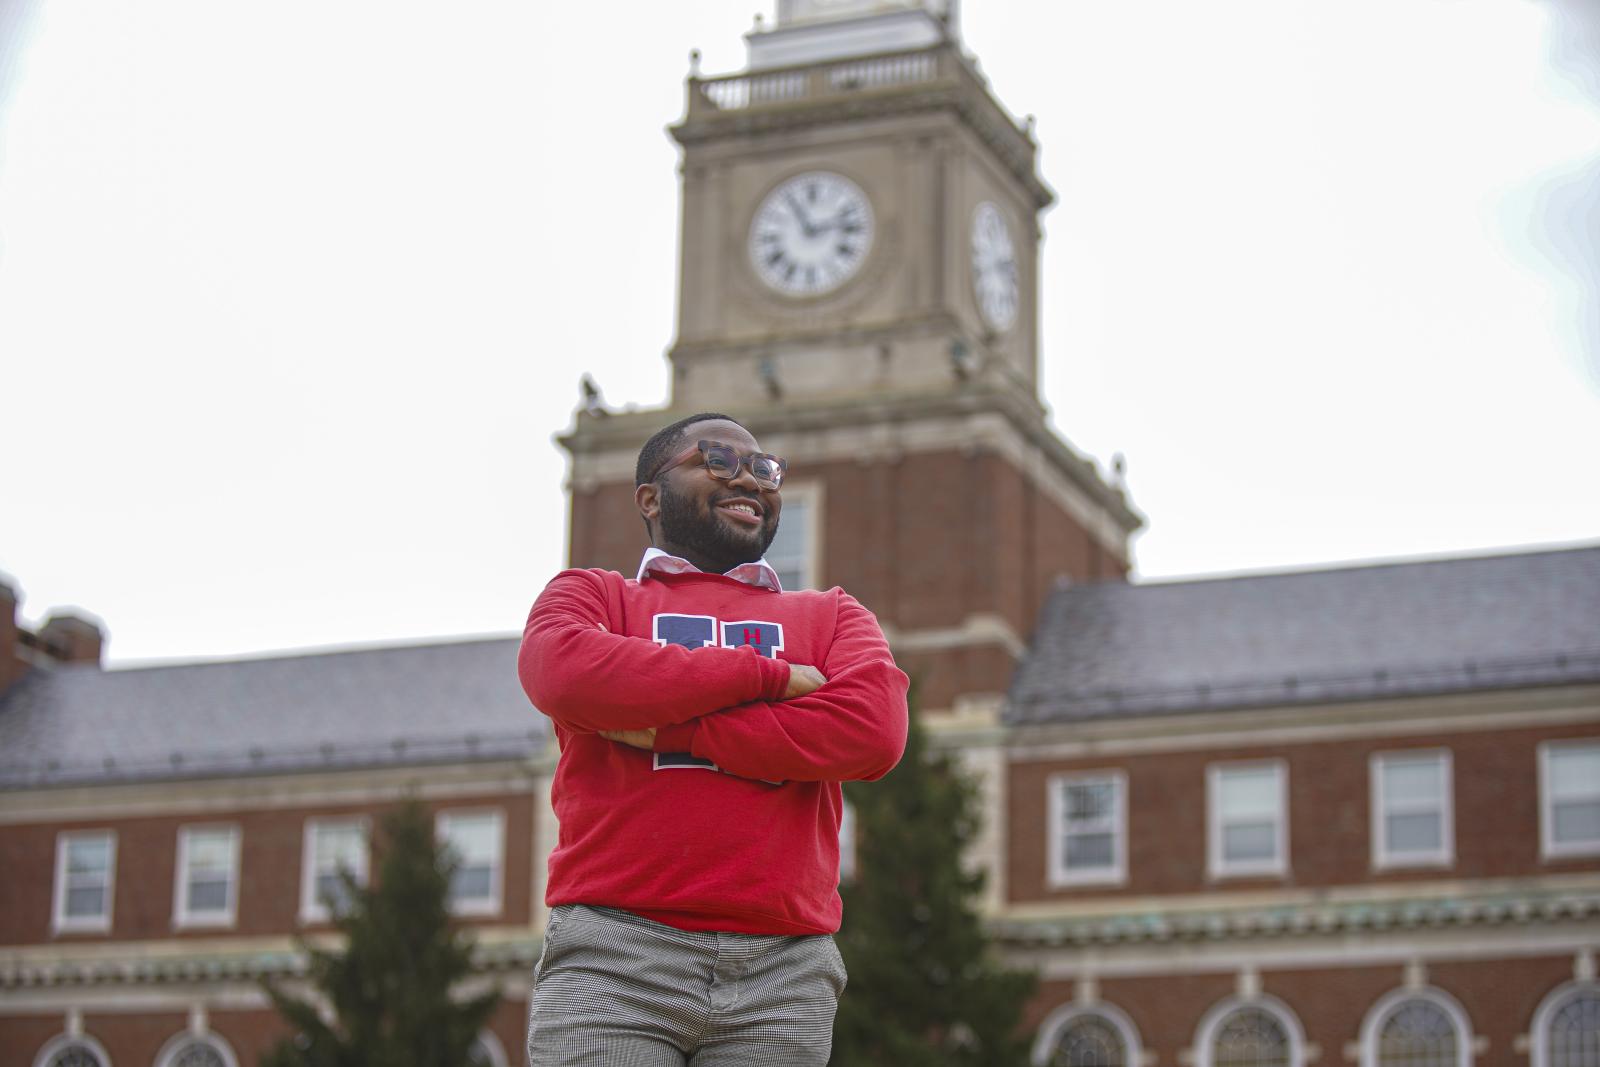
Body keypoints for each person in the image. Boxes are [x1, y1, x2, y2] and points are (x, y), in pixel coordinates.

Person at [518, 411, 909, 1066]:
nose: (749, 480)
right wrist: (771, 677)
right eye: (719, 461)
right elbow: (559, 671)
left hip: (781, 973)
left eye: (763, 469)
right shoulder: (594, 596)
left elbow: (874, 731)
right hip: (617, 957)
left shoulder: (833, 615)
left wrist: (672, 726)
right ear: (650, 496)